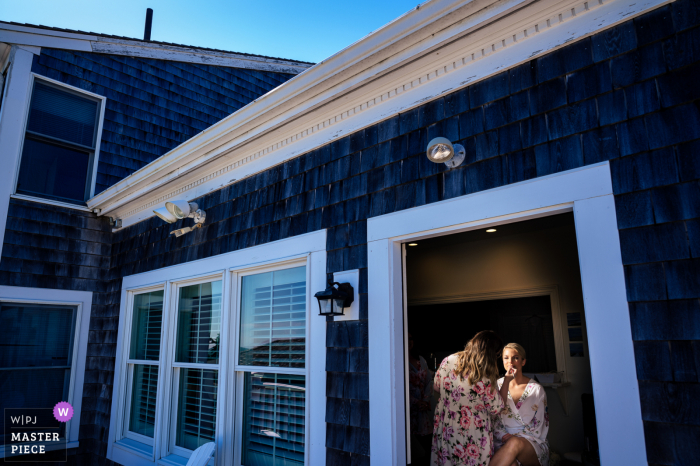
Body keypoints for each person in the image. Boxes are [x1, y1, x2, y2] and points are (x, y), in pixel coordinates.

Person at [430, 330, 511, 466]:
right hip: (473, 436)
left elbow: (436, 388)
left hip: (447, 429)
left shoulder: (448, 360)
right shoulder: (484, 375)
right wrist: (507, 380)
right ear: (491, 354)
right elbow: (497, 408)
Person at [490, 343, 550, 466]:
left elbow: (540, 425)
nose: (510, 362)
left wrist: (515, 438)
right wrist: (502, 435)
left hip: (531, 442)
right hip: (502, 440)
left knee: (515, 443)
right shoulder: (496, 386)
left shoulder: (536, 389)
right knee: (511, 463)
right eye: (506, 358)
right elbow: (493, 417)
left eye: (516, 357)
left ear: (523, 362)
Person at [408, 332, 434, 465]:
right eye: (405, 338)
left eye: (411, 338)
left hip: (422, 411)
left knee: (429, 447)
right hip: (409, 411)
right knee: (412, 450)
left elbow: (429, 381)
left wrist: (425, 400)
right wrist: (416, 402)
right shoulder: (399, 360)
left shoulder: (421, 359)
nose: (409, 341)